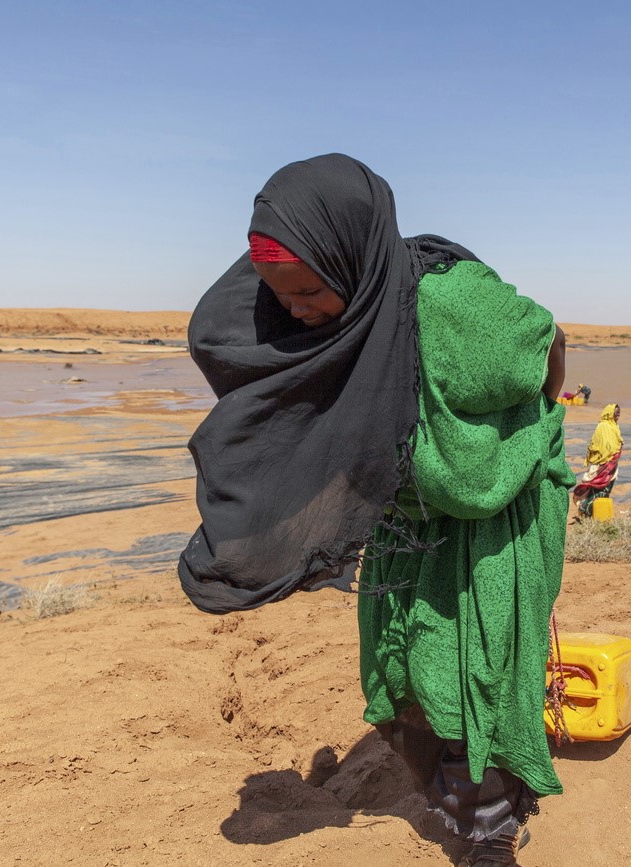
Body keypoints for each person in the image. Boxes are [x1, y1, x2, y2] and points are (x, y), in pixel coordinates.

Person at [179, 154, 572, 866]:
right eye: (278, 292)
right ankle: (466, 801)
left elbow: (548, 343)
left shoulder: (455, 304)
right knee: (407, 677)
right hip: (408, 519)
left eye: (305, 291)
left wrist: (516, 435)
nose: (293, 310)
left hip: (487, 516)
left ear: (351, 261)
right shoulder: (347, 312)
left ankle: (492, 832)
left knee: (474, 668)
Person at [571, 403, 622, 518]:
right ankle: (586, 509)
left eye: (619, 413)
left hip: (611, 463)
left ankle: (596, 512)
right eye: (616, 412)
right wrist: (606, 458)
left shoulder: (614, 426)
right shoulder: (603, 426)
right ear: (610, 412)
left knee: (606, 489)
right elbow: (600, 446)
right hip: (602, 464)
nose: (618, 415)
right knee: (597, 488)